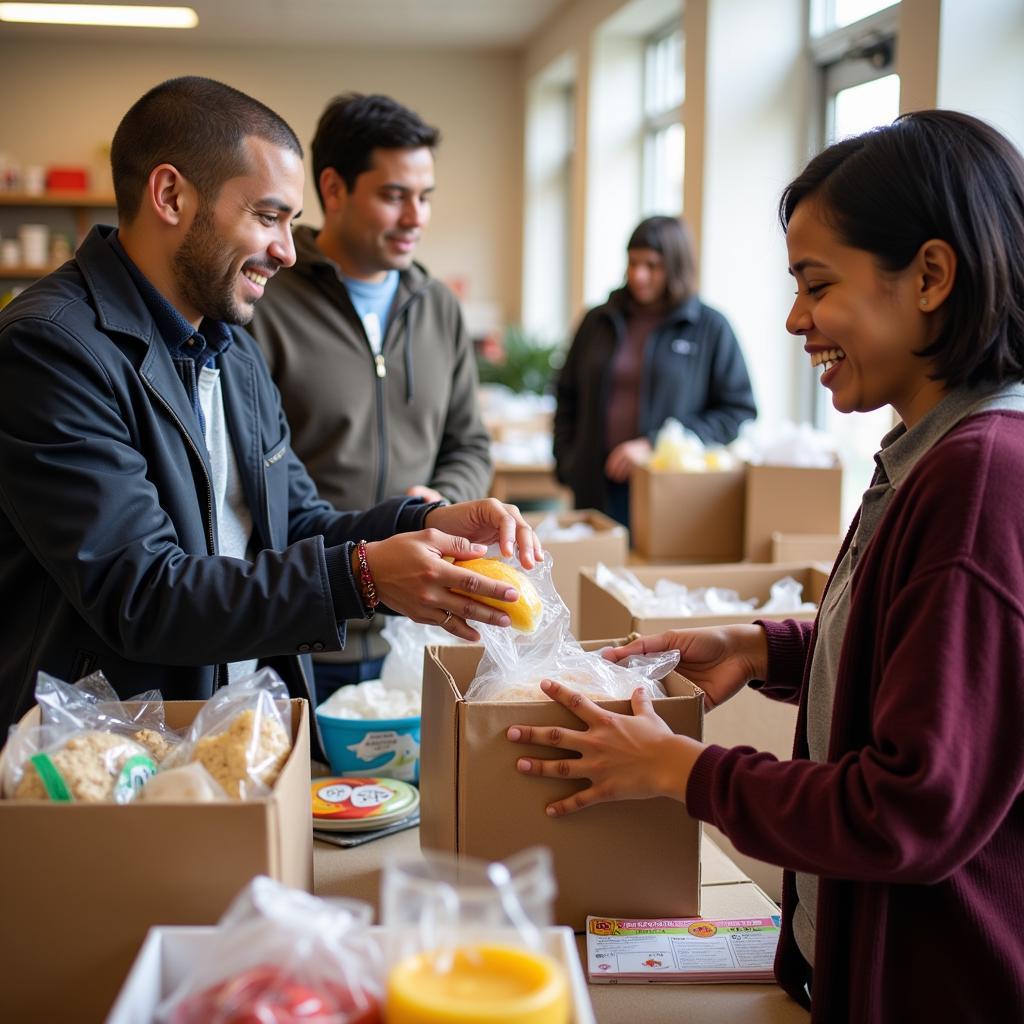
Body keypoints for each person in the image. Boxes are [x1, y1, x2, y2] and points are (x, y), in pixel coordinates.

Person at [508, 110, 1024, 1022]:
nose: (796, 320)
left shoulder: (979, 476)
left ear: (932, 276)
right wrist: (763, 648)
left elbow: (908, 808)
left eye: (816, 286)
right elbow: (916, 647)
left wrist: (683, 772)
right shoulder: (932, 449)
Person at [0, 76, 540, 749]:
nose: (287, 249)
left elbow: (296, 524)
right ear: (171, 196)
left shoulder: (231, 348)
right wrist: (364, 576)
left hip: (234, 730)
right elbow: (142, 592)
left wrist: (424, 520)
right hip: (107, 751)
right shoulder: (53, 346)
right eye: (267, 216)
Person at [250, 92, 493, 701]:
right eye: (394, 195)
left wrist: (442, 504)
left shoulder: (437, 308)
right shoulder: (265, 305)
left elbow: (468, 442)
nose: (416, 217)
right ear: (333, 189)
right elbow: (254, 476)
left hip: (421, 633)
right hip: (303, 630)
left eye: (425, 196)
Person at [552, 215, 756, 526]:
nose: (638, 275)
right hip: (595, 485)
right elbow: (567, 394)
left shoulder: (710, 327)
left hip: (669, 493)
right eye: (632, 263)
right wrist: (568, 462)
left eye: (652, 266)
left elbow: (737, 410)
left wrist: (655, 444)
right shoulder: (598, 321)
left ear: (675, 266)